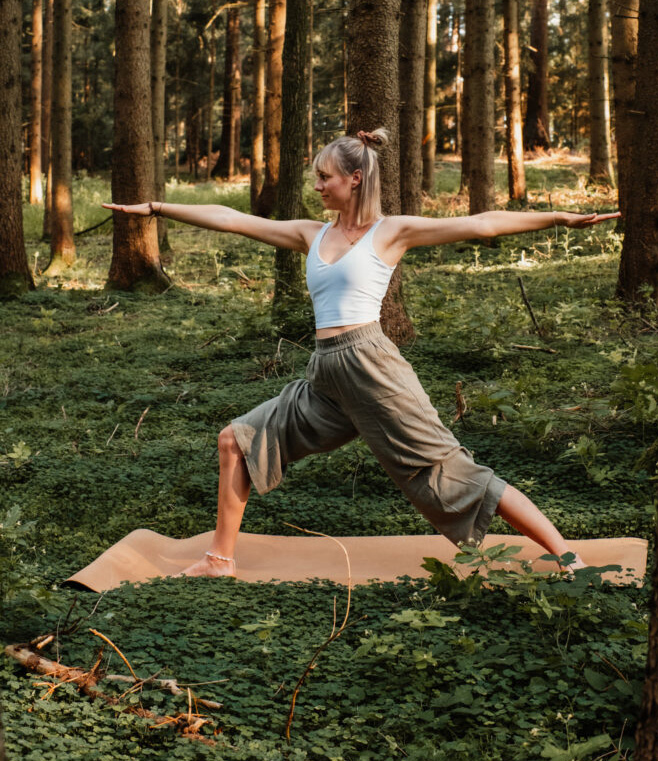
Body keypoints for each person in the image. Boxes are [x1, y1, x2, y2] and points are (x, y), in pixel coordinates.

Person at [103, 128, 620, 578]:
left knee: (450, 470)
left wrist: (560, 218)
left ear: (354, 178)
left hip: (372, 367)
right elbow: (232, 218)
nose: (317, 185)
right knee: (236, 441)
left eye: (324, 176)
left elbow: (483, 223)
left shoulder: (391, 232)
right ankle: (220, 560)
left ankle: (565, 555)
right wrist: (155, 208)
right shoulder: (311, 233)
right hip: (325, 376)